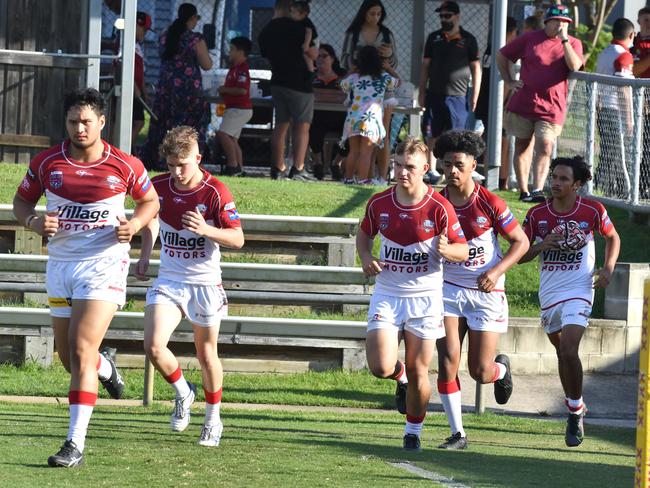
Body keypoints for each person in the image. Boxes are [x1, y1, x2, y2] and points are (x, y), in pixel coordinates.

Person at [12, 88, 159, 467]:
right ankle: (106, 368)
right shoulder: (47, 163)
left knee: (79, 350)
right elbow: (21, 203)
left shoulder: (124, 165)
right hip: (61, 266)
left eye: (86, 122)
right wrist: (32, 220)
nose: (79, 128)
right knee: (69, 358)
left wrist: (136, 225)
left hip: (104, 265)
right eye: (73, 121)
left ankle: (74, 443)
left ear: (102, 123)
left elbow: (150, 201)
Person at [357, 137, 468, 452]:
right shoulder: (380, 202)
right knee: (380, 366)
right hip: (388, 293)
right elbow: (364, 235)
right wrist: (366, 257)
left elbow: (462, 249)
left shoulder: (439, 206)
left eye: (409, 167)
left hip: (425, 298)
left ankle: (412, 432)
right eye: (397, 165)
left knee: (421, 369)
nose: (402, 172)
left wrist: (449, 250)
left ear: (425, 169)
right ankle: (398, 375)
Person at [136, 126, 244, 447]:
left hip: (204, 283)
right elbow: (150, 218)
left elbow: (238, 238)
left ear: (198, 158)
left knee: (206, 354)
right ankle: (184, 392)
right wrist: (145, 254)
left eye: (183, 164)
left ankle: (213, 419)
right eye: (171, 165)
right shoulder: (157, 187)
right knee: (154, 345)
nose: (177, 172)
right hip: (170, 280)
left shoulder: (215, 192)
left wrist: (207, 231)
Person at [434, 130, 529, 449]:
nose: (452, 171)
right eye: (446, 164)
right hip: (447, 288)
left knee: (479, 370)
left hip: (485, 292)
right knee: (447, 357)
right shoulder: (435, 200)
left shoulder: (489, 201)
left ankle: (501, 370)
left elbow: (521, 241)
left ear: (474, 163)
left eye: (459, 164)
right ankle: (457, 433)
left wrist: (496, 270)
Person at [519, 156, 620, 447]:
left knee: (568, 347)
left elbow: (613, 237)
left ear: (577, 184)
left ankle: (574, 412)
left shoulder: (592, 210)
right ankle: (576, 401)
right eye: (554, 177)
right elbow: (520, 254)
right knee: (561, 353)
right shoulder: (538, 215)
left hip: (579, 288)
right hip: (550, 292)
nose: (556, 183)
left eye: (563, 179)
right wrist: (540, 245)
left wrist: (608, 269)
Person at [496, 5, 583, 203]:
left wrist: (565, 41)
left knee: (545, 145)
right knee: (522, 145)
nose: (560, 25)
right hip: (524, 103)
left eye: (565, 22)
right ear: (547, 21)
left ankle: (537, 189)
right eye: (557, 21)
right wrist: (509, 80)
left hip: (552, 106)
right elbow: (502, 55)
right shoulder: (530, 38)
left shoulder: (573, 43)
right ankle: (524, 191)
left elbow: (574, 65)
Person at [141, 3, 213, 170]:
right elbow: (207, 64)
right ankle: (186, 159)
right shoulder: (195, 39)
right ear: (193, 18)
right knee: (189, 126)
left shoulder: (166, 35)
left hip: (166, 87)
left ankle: (159, 160)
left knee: (165, 124)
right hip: (188, 90)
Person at [418, 1, 481, 185]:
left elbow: (476, 68)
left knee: (457, 137)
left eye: (448, 16)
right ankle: (431, 171)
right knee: (431, 134)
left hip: (459, 96)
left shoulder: (468, 39)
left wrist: (474, 94)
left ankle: (456, 173)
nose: (444, 19)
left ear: (457, 16)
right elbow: (425, 67)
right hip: (435, 94)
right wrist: (421, 91)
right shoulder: (433, 38)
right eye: (441, 16)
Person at [258, 0, 318, 181]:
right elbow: (313, 53)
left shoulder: (267, 30)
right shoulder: (303, 27)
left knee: (281, 125)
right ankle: (298, 168)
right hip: (300, 83)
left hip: (278, 82)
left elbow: (265, 53)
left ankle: (278, 167)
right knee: (302, 127)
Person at [340, 0, 398, 184]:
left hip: (371, 98)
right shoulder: (353, 33)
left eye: (379, 14)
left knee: (381, 138)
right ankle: (366, 178)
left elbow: (394, 61)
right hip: (370, 96)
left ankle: (379, 176)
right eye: (372, 13)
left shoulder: (387, 34)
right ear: (363, 13)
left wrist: (388, 56)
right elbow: (344, 59)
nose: (375, 17)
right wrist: (359, 68)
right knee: (366, 147)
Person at [474, 16, 517, 191]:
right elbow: (505, 81)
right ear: (510, 32)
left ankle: (496, 179)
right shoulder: (501, 50)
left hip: (489, 103)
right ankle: (500, 180)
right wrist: (504, 105)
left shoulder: (493, 49)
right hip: (496, 105)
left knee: (495, 140)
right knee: (500, 141)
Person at [594, 18, 635, 198]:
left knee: (608, 153)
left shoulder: (604, 53)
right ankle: (623, 191)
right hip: (615, 110)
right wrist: (629, 119)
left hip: (603, 108)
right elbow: (623, 89)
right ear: (631, 35)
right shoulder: (624, 55)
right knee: (619, 154)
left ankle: (602, 187)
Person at [309, 44, 347, 180]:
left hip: (340, 119)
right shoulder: (311, 77)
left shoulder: (343, 77)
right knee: (312, 129)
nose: (320, 59)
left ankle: (336, 163)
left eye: (324, 56)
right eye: (317, 56)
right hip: (318, 118)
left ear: (332, 59)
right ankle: (318, 163)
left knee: (352, 131)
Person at [217, 36, 253, 177]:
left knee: (223, 134)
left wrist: (224, 90)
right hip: (234, 108)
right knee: (232, 139)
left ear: (240, 52)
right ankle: (240, 168)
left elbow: (242, 90)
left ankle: (232, 165)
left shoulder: (242, 70)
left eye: (232, 49)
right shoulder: (234, 68)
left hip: (240, 108)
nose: (229, 52)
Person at [632, 7, 650, 198]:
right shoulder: (632, 42)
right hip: (637, 102)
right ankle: (637, 186)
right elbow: (634, 71)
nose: (648, 24)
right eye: (645, 20)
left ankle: (644, 186)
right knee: (638, 146)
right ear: (638, 20)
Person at [132, 11, 152, 147]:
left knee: (139, 121)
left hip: (138, 91)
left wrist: (144, 91)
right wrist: (134, 87)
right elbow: (123, 66)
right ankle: (124, 148)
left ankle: (129, 146)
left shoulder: (137, 46)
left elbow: (141, 73)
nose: (144, 34)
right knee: (138, 122)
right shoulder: (125, 44)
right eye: (143, 30)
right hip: (132, 90)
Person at [290, 0, 319, 74]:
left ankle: (311, 71)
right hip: (307, 42)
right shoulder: (296, 20)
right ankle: (311, 70)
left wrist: (306, 44)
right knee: (306, 56)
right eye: (291, 12)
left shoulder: (305, 20)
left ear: (303, 14)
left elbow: (309, 32)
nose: (291, 14)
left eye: (293, 12)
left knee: (307, 56)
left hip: (311, 41)